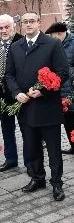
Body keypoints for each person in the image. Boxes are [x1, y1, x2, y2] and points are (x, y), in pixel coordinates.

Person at [5, 11, 69, 201]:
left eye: (32, 21)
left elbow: (63, 72)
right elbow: (9, 75)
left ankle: (57, 183)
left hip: (47, 106)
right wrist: (17, 92)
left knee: (53, 149)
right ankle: (37, 177)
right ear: (21, 25)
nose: (28, 24)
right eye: (25, 22)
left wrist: (43, 90)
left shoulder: (52, 44)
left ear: (39, 23)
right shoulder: (16, 47)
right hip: (25, 107)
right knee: (31, 146)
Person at [0, 14, 28, 174]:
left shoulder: (22, 42)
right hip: (1, 95)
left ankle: (30, 161)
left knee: (26, 128)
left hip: (20, 93)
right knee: (6, 128)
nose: (4, 30)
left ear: (13, 27)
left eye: (7, 27)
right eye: (0, 28)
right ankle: (11, 159)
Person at [45, 22, 74, 154]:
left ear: (59, 33)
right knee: (67, 121)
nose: (51, 38)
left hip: (71, 89)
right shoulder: (54, 46)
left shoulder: (72, 45)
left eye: (52, 35)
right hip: (59, 90)